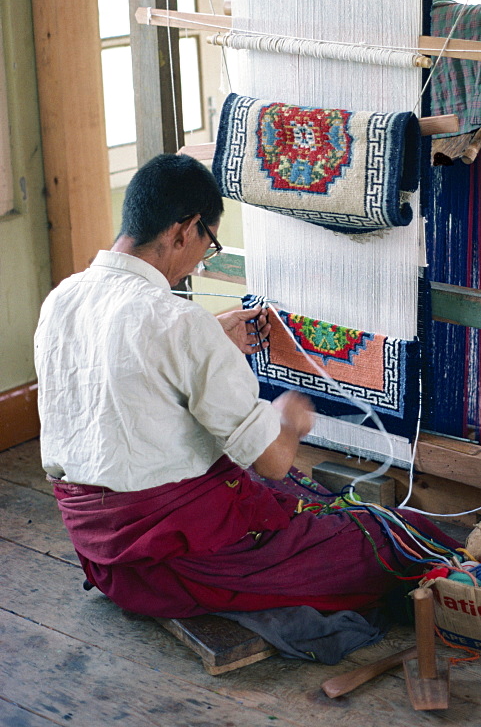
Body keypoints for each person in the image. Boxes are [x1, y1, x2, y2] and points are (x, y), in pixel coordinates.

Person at [35, 154, 457, 620]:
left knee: (303, 500)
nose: (200, 261)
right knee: (391, 540)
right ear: (184, 230)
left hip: (106, 555)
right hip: (179, 560)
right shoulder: (180, 323)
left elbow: (126, 365)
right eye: (208, 244)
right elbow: (274, 462)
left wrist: (210, 337)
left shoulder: (63, 298)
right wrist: (290, 419)